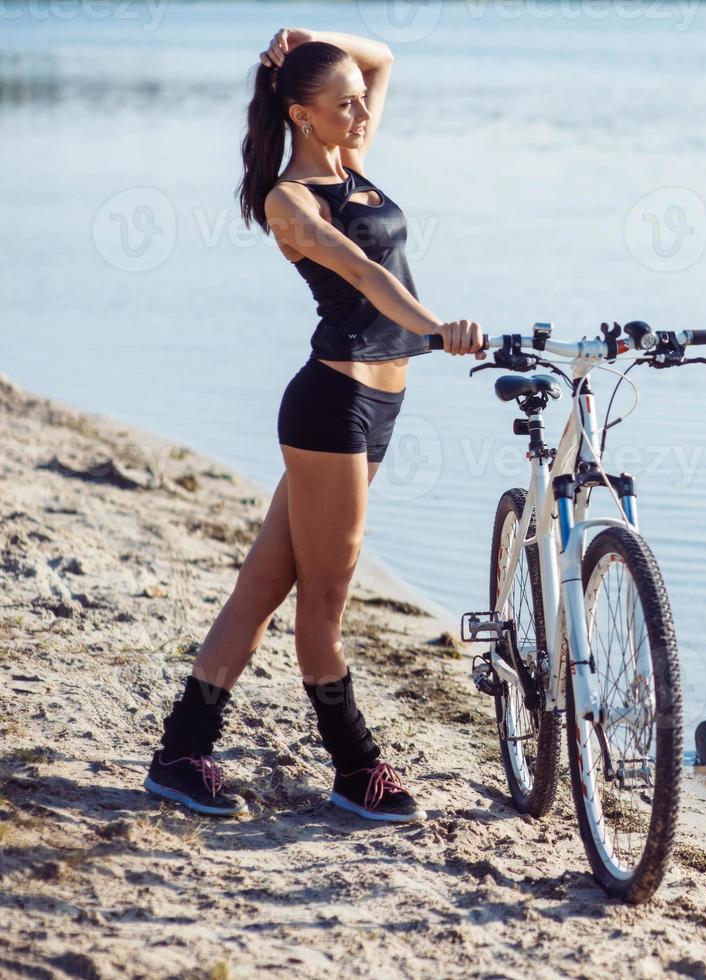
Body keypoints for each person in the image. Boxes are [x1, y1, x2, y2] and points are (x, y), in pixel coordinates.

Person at [142, 28, 486, 822]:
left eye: (361, 103)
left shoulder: (352, 166)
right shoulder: (290, 200)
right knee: (324, 600)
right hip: (333, 405)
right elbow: (364, 273)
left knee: (265, 582)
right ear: (302, 115)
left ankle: (180, 752)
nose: (363, 110)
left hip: (378, 406)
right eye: (344, 104)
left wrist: (313, 39)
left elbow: (384, 57)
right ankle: (355, 767)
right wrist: (439, 331)